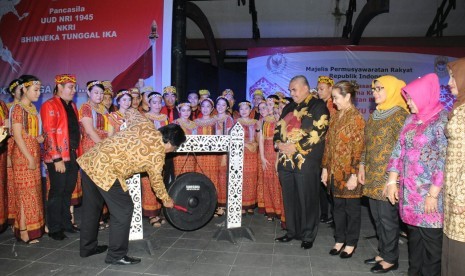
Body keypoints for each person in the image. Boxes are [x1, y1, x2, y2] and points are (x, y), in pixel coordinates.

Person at [78, 108, 184, 265]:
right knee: (124, 209)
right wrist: (166, 200)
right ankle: (116, 255)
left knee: (92, 207)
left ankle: (88, 248)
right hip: (107, 171)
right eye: (175, 148)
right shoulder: (157, 154)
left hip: (90, 160)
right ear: (169, 142)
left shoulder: (145, 124)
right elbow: (156, 182)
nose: (173, 151)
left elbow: (131, 111)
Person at [386, 73, 448, 276]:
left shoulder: (441, 120)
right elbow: (398, 150)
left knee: (431, 245)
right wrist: (392, 181)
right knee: (414, 241)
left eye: (411, 98)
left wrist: (432, 194)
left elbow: (443, 159)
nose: (408, 102)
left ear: (424, 96)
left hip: (430, 195)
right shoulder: (410, 120)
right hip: (410, 194)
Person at [358, 75, 409, 273]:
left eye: (380, 88)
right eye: (374, 89)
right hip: (372, 174)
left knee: (387, 218)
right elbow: (366, 144)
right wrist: (362, 166)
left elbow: (402, 149)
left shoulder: (400, 115)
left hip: (389, 176)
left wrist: (394, 180)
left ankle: (391, 258)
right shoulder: (375, 114)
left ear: (393, 90)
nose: (375, 92)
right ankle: (383, 251)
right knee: (377, 217)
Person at [274, 75, 329, 249]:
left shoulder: (318, 106)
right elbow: (277, 128)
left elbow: (319, 131)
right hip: (285, 161)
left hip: (306, 161)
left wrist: (295, 147)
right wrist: (278, 143)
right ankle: (292, 231)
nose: (291, 93)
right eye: (290, 90)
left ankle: (307, 235)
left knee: (307, 199)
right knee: (289, 198)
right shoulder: (289, 107)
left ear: (305, 88)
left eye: (294, 89)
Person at [321, 81, 365, 258]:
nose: (334, 101)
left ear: (347, 97)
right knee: (337, 208)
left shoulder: (357, 118)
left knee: (352, 210)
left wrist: (354, 174)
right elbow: (328, 144)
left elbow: (359, 149)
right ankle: (339, 240)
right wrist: (325, 168)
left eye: (336, 98)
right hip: (333, 171)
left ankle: (351, 243)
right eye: (332, 98)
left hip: (349, 173)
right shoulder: (336, 116)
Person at [41, 74, 81, 240]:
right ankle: (54, 227)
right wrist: (57, 158)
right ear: (59, 87)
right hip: (58, 156)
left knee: (67, 191)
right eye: (70, 87)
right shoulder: (49, 105)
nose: (73, 91)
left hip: (72, 153)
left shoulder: (72, 106)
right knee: (57, 191)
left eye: (74, 87)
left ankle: (66, 223)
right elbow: (49, 133)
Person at [11, 75, 45, 243]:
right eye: (35, 90)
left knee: (34, 192)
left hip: (33, 152)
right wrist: (29, 157)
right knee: (25, 193)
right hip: (23, 156)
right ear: (24, 89)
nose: (38, 93)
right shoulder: (18, 109)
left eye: (39, 90)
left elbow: (29, 134)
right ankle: (24, 230)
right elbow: (17, 136)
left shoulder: (31, 108)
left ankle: (35, 226)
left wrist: (38, 139)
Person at [442, 57, 465, 275]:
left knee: (459, 257)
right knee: (449, 254)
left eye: (453, 77)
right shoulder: (459, 107)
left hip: (461, 197)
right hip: (451, 192)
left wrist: (461, 197)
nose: (449, 83)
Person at [143, 92, 168, 226]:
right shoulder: (145, 117)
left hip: (162, 155)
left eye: (159, 102)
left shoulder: (165, 118)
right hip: (148, 155)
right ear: (149, 103)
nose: (157, 105)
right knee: (149, 184)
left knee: (159, 182)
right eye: (154, 102)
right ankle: (151, 214)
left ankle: (158, 212)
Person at [258, 100, 284, 223]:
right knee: (268, 181)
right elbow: (261, 139)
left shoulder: (282, 120)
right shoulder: (265, 121)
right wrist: (262, 157)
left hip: (279, 152)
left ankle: (281, 211)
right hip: (268, 153)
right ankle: (271, 210)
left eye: (271, 105)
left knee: (279, 182)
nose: (269, 108)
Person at [317, 75, 336, 224]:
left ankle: (334, 215)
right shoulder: (319, 104)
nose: (319, 91)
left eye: (322, 89)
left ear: (330, 89)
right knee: (321, 183)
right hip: (320, 148)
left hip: (330, 148)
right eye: (318, 89)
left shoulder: (333, 106)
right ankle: (324, 213)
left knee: (329, 183)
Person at [236, 101, 258, 214]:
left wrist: (255, 144)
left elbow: (259, 138)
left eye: (246, 109)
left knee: (252, 178)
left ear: (250, 110)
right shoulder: (236, 122)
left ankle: (250, 204)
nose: (244, 111)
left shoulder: (256, 122)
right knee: (242, 178)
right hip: (241, 152)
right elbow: (233, 138)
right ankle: (242, 205)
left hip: (253, 153)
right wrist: (245, 144)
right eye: (241, 109)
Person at [215, 96, 234, 212]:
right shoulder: (213, 118)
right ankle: (215, 203)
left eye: (223, 105)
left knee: (223, 178)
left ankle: (222, 206)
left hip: (223, 153)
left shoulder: (229, 119)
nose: (220, 107)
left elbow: (227, 140)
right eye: (218, 104)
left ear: (227, 107)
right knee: (215, 178)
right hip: (212, 154)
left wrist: (223, 155)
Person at [172, 101, 197, 176]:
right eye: (183, 110)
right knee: (180, 175)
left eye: (188, 110)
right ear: (179, 111)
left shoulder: (194, 124)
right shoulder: (175, 123)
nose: (186, 113)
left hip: (191, 153)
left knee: (190, 175)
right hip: (179, 154)